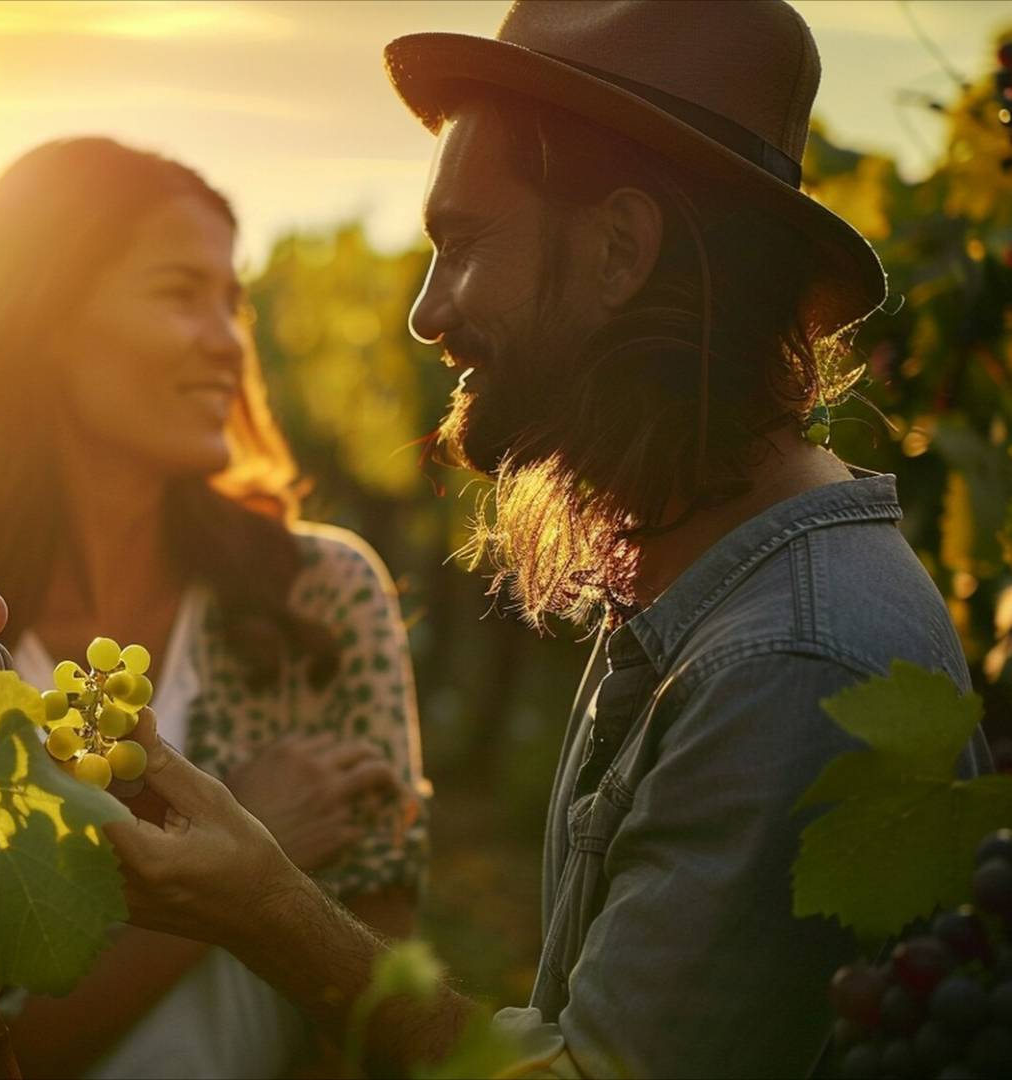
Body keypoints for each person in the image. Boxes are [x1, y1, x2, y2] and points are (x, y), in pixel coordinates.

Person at [100, 2, 994, 1078]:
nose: (425, 314)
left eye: (463, 243)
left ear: (619, 248)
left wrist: (270, 912)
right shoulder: (704, 587)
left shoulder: (783, 660)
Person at [0, 136, 429, 1078]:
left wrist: (256, 890)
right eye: (181, 294)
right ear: (39, 318)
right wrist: (256, 867)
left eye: (233, 301)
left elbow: (387, 1029)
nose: (227, 342)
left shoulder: (322, 600)